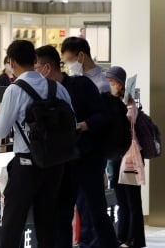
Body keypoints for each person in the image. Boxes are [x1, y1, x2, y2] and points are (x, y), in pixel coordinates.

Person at [0, 40, 73, 248]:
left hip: (27, 166)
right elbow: (72, 123)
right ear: (34, 60)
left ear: (11, 63)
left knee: (13, 222)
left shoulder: (14, 90)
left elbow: (0, 130)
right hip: (56, 164)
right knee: (47, 222)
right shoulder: (57, 88)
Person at [35, 45, 118, 248]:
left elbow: (103, 115)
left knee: (94, 208)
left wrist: (84, 125)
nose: (34, 72)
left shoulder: (81, 85)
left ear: (47, 67)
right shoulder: (44, 92)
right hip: (62, 160)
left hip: (87, 157)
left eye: (36, 67)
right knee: (63, 213)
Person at [106, 66, 146, 248]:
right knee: (123, 200)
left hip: (129, 158)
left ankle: (134, 239)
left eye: (111, 82)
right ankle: (122, 236)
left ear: (120, 84)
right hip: (119, 157)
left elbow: (128, 127)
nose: (109, 85)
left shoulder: (128, 105)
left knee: (132, 201)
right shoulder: (117, 103)